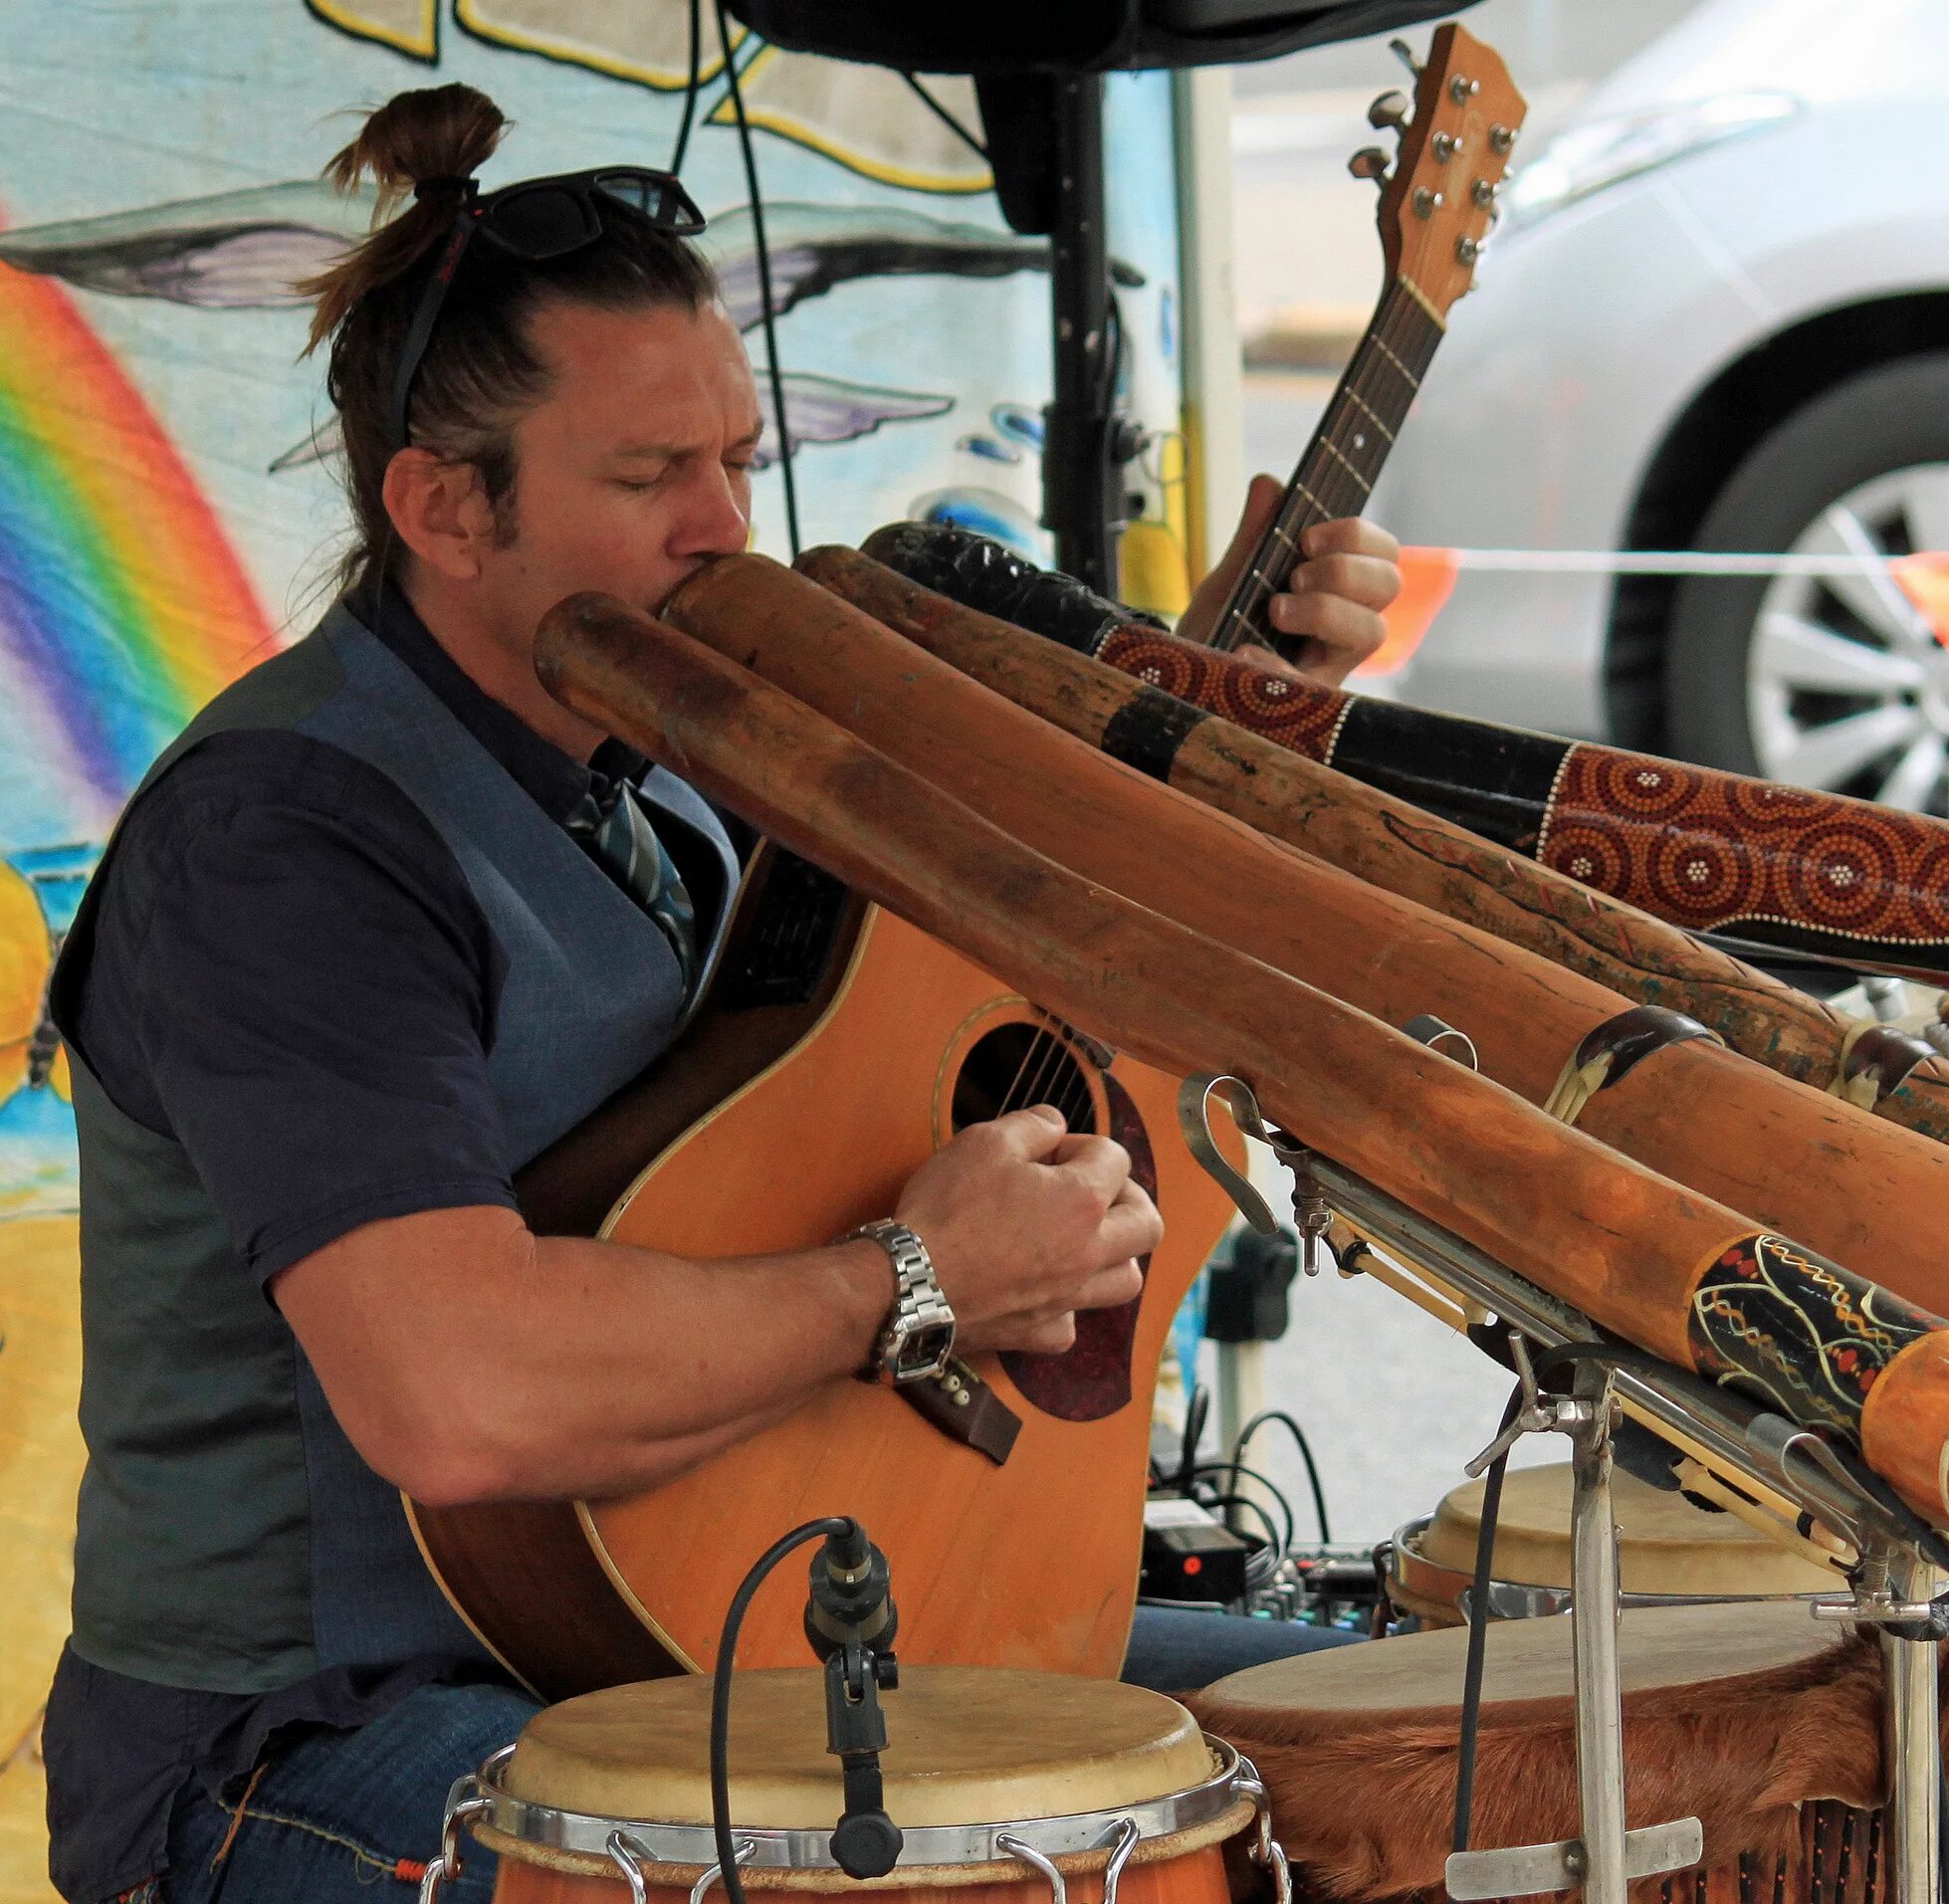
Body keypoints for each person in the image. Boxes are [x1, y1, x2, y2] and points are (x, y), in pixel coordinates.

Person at [40, 84, 1404, 1904]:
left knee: (1417, 1751)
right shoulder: (289, 842)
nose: (723, 527)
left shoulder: (701, 735)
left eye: (740, 460)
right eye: (644, 478)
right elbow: (461, 1396)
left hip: (748, 1636)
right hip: (316, 1736)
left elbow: (1042, 881)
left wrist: (1225, 682)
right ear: (443, 507)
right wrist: (913, 1280)